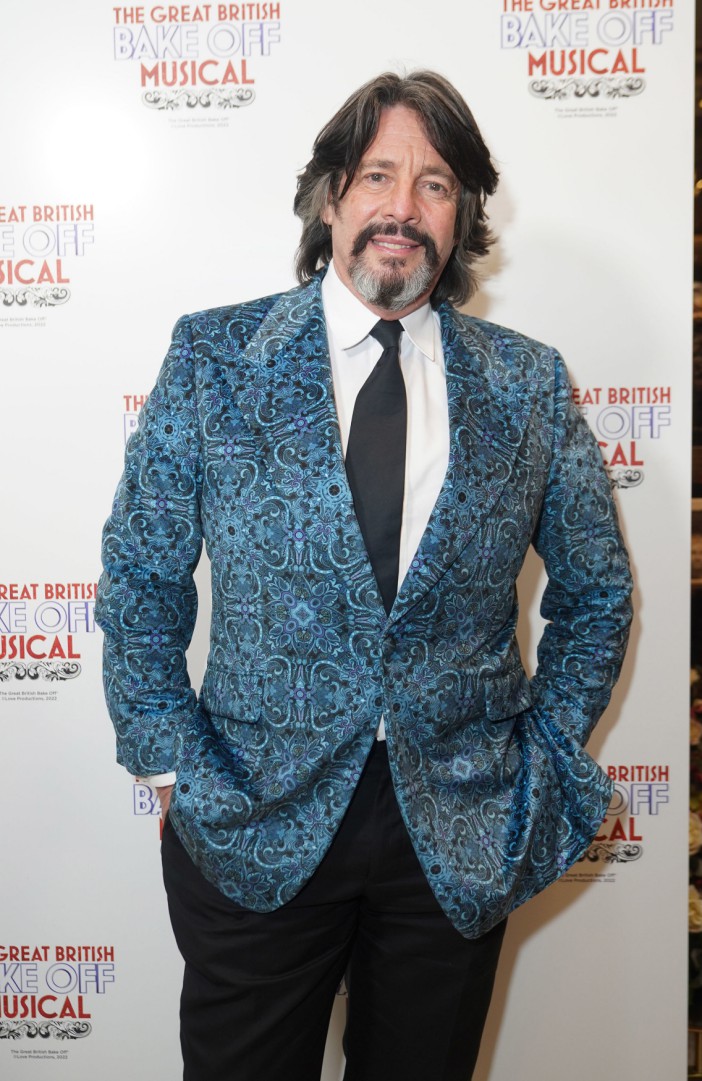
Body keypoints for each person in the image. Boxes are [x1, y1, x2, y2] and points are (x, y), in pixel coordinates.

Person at [96, 70, 633, 1081]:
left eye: (434, 183)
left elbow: (598, 592)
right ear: (331, 197)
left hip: (457, 826)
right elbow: (141, 575)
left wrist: (545, 758)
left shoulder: (526, 382)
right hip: (254, 813)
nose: (402, 206)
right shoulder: (216, 358)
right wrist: (172, 766)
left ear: (464, 211)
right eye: (378, 174)